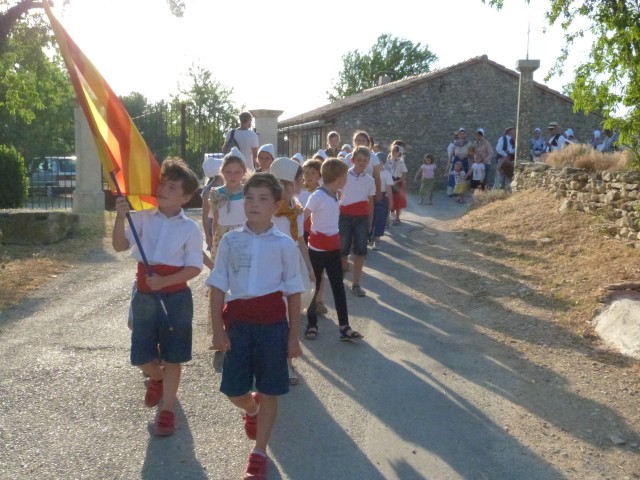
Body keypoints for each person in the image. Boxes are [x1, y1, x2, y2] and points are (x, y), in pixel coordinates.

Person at [207, 173, 305, 480]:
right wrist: (217, 330)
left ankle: (259, 452)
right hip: (238, 324)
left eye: (263, 199)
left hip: (273, 325)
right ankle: (251, 410)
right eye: (249, 197)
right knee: (234, 389)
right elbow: (217, 287)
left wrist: (293, 338)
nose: (254, 204)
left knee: (270, 389)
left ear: (276, 206)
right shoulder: (231, 241)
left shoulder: (284, 244)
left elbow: (294, 292)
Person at [111, 157, 203, 437]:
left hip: (176, 298)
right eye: (163, 183)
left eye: (173, 187)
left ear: (186, 197)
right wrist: (119, 215)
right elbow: (119, 245)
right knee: (141, 355)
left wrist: (166, 280)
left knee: (174, 355)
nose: (163, 189)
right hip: (145, 296)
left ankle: (168, 410)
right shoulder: (142, 216)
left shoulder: (189, 229)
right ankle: (157, 376)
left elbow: (194, 267)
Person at [304, 158, 363, 340]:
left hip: (333, 249)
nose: (347, 179)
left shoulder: (334, 194)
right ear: (338, 177)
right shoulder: (318, 196)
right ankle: (311, 325)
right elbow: (302, 218)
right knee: (315, 286)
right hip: (316, 250)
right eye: (345, 176)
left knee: (338, 287)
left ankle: (344, 326)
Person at [270, 157, 315, 386]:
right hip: (271, 265)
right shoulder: (268, 210)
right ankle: (269, 359)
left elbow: (300, 240)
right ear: (287, 184)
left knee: (289, 313)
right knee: (273, 314)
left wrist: (308, 267)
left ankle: (286, 362)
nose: (301, 183)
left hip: (292, 264)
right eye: (298, 180)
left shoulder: (296, 209)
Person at [340, 146, 376, 297]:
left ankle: (356, 284)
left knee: (360, 251)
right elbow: (337, 197)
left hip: (361, 218)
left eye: (365, 161)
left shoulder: (370, 180)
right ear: (352, 160)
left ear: (368, 163)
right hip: (344, 217)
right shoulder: (343, 176)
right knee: (342, 250)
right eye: (359, 160)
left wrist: (370, 222)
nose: (362, 163)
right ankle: (340, 278)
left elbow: (371, 202)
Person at [299, 158, 328, 315]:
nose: (309, 176)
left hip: (317, 233)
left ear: (319, 176)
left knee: (319, 269)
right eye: (306, 173)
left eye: (313, 173)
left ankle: (319, 300)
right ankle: (304, 300)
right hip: (301, 234)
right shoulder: (298, 192)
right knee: (303, 267)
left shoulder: (323, 193)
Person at [370, 154, 393, 250]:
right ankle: (369, 237)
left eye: (379, 162)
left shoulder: (386, 174)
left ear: (383, 163)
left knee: (380, 219)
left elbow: (389, 189)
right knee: (370, 218)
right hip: (371, 196)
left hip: (382, 198)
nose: (378, 165)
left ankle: (377, 240)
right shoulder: (371, 173)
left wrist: (390, 203)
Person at [201, 154, 224, 252]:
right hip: (216, 225)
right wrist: (207, 234)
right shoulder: (211, 191)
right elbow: (205, 215)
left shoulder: (208, 189)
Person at [389, 143, 408, 224]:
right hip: (390, 181)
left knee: (397, 201)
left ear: (399, 153)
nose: (393, 153)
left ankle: (397, 218)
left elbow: (404, 176)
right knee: (390, 199)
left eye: (395, 151)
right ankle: (391, 214)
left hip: (397, 182)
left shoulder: (401, 163)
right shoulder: (389, 161)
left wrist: (396, 181)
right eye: (392, 151)